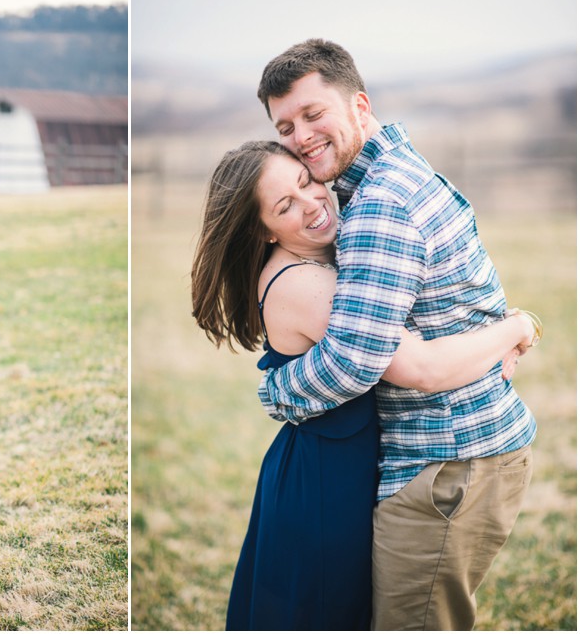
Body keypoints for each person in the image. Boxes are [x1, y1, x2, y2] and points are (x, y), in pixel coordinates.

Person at [190, 141, 538, 630]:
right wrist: (519, 327)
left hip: (344, 463)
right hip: (327, 482)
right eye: (285, 205)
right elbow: (424, 366)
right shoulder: (307, 285)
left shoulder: (327, 257)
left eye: (306, 181)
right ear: (260, 230)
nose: (312, 203)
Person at [254, 39, 539, 630]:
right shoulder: (395, 170)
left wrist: (277, 388)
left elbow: (362, 364)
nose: (301, 136)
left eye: (313, 114)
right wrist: (512, 325)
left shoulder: (379, 202)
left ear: (359, 105)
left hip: (446, 464)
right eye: (285, 125)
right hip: (459, 456)